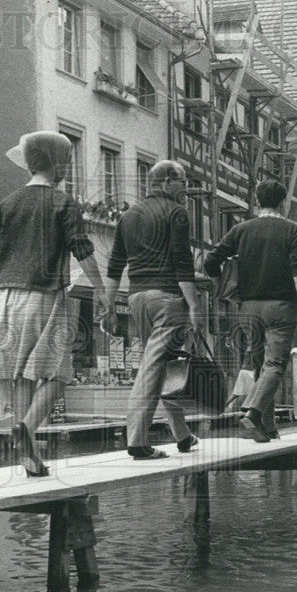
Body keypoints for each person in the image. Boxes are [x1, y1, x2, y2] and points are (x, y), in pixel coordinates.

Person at [0, 131, 108, 477]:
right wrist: (100, 289)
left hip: (2, 297)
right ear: (56, 163)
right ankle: (26, 428)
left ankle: (29, 460)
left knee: (21, 375)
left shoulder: (8, 203)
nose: (69, 168)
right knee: (58, 374)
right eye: (67, 161)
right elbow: (81, 247)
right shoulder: (63, 203)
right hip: (43, 295)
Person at [205, 179, 297, 442]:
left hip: (248, 308)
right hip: (281, 307)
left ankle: (267, 430)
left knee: (258, 366)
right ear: (283, 203)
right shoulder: (293, 230)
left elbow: (211, 261)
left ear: (256, 201)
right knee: (275, 365)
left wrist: (222, 285)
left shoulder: (240, 230)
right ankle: (253, 412)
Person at [106, 160, 199, 459]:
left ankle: (182, 435)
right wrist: (195, 306)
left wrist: (109, 306)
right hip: (168, 298)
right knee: (154, 368)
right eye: (182, 181)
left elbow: (115, 265)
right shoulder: (177, 213)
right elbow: (182, 264)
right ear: (167, 181)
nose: (185, 188)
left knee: (162, 365)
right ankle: (137, 441)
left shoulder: (128, 215)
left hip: (136, 298)